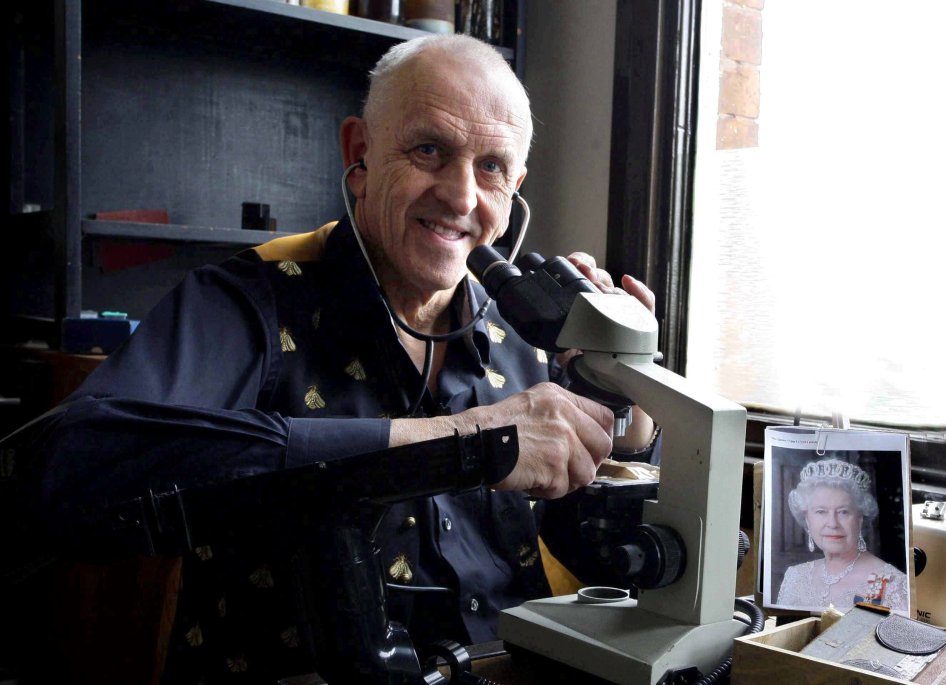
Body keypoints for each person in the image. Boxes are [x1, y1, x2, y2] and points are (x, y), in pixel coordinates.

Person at [3, 34, 660, 683]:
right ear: (360, 152)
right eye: (430, 150)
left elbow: (591, 556)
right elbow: (66, 466)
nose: (462, 198)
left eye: (491, 168)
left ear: (514, 188)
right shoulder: (244, 302)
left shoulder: (526, 330)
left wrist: (627, 402)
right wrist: (458, 439)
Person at [776, 458, 907, 611]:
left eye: (843, 512)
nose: (832, 523)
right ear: (807, 519)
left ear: (859, 518)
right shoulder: (795, 576)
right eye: (821, 512)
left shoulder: (885, 582)